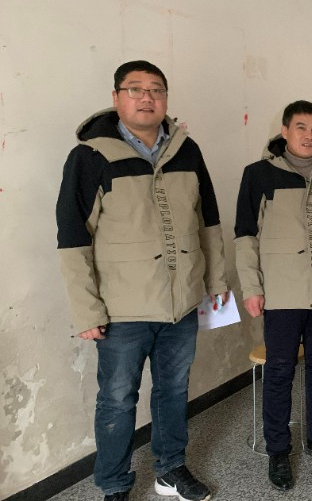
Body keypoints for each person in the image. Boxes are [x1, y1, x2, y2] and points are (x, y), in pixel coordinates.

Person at [56, 60, 229, 501]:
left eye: (156, 89)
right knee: (117, 399)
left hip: (181, 303)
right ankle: (114, 484)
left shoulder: (187, 151)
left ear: (166, 99)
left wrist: (216, 281)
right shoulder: (90, 157)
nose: (147, 97)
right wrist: (87, 311)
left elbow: (208, 221)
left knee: (173, 391)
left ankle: (170, 469)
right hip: (122, 310)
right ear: (116, 98)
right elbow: (73, 238)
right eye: (135, 89)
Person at [234, 101, 312, 492]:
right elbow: (245, 236)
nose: (309, 135)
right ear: (285, 131)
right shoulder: (258, 174)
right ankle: (278, 450)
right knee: (280, 372)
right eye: (301, 127)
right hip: (282, 295)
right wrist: (252, 288)